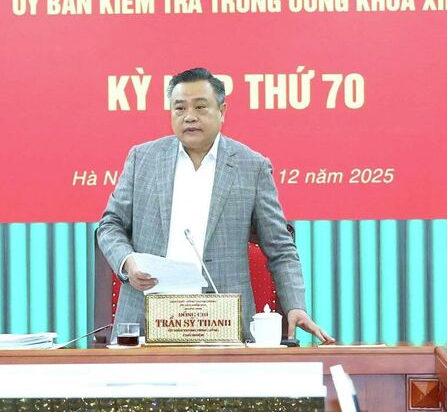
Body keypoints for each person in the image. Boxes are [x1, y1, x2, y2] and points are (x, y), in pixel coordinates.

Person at [97, 67, 332, 343]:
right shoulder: (143, 159)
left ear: (222, 112)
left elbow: (280, 248)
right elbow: (110, 225)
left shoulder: (251, 166)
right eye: (179, 108)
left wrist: (295, 306)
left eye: (200, 107)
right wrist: (128, 262)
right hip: (146, 323)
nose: (189, 116)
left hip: (222, 326)